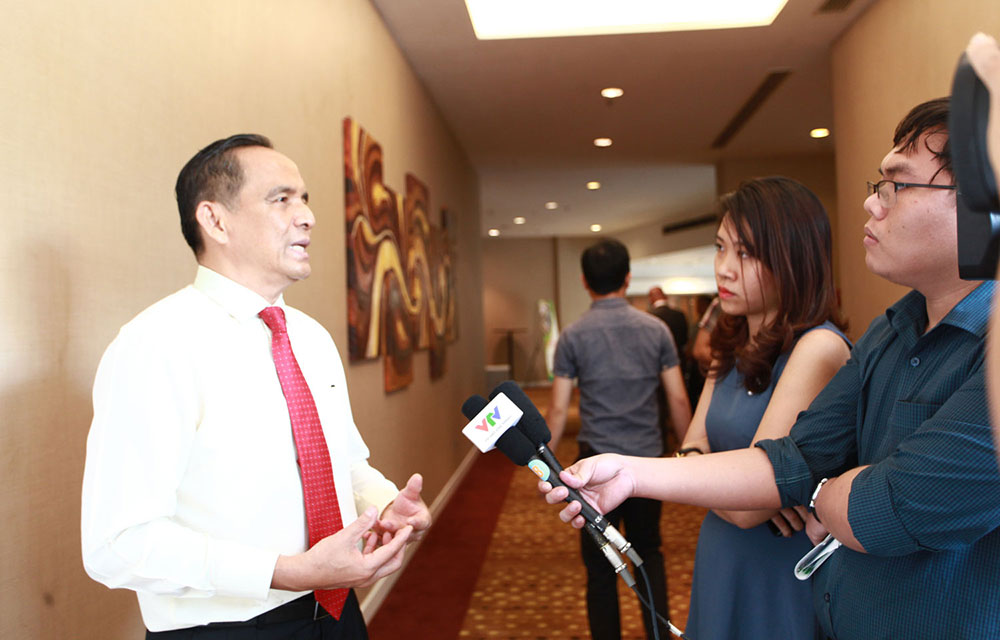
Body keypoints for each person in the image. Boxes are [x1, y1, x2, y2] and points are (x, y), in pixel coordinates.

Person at [541, 98, 1000, 639]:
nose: (871, 203)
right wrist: (631, 472)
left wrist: (822, 493)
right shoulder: (889, 332)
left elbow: (886, 506)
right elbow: (792, 460)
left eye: (896, 185)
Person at [81, 134, 432, 638]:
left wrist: (385, 503)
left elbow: (345, 462)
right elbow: (117, 543)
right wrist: (285, 572)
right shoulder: (155, 345)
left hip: (337, 615)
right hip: (229, 629)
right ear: (215, 220)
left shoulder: (311, 337)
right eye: (281, 199)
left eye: (304, 198)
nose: (307, 216)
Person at [680, 177, 850, 640]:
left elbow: (748, 505)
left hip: (777, 568)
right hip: (723, 552)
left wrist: (729, 482)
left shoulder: (817, 347)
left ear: (793, 259)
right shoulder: (731, 341)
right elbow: (693, 445)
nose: (724, 269)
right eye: (720, 248)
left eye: (746, 254)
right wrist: (737, 482)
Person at [546, 239, 692, 640]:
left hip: (592, 468)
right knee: (649, 554)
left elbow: (557, 410)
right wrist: (691, 455)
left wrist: (548, 466)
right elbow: (678, 398)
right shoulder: (656, 330)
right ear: (628, 278)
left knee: (599, 567)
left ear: (584, 281)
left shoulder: (573, 336)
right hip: (647, 464)